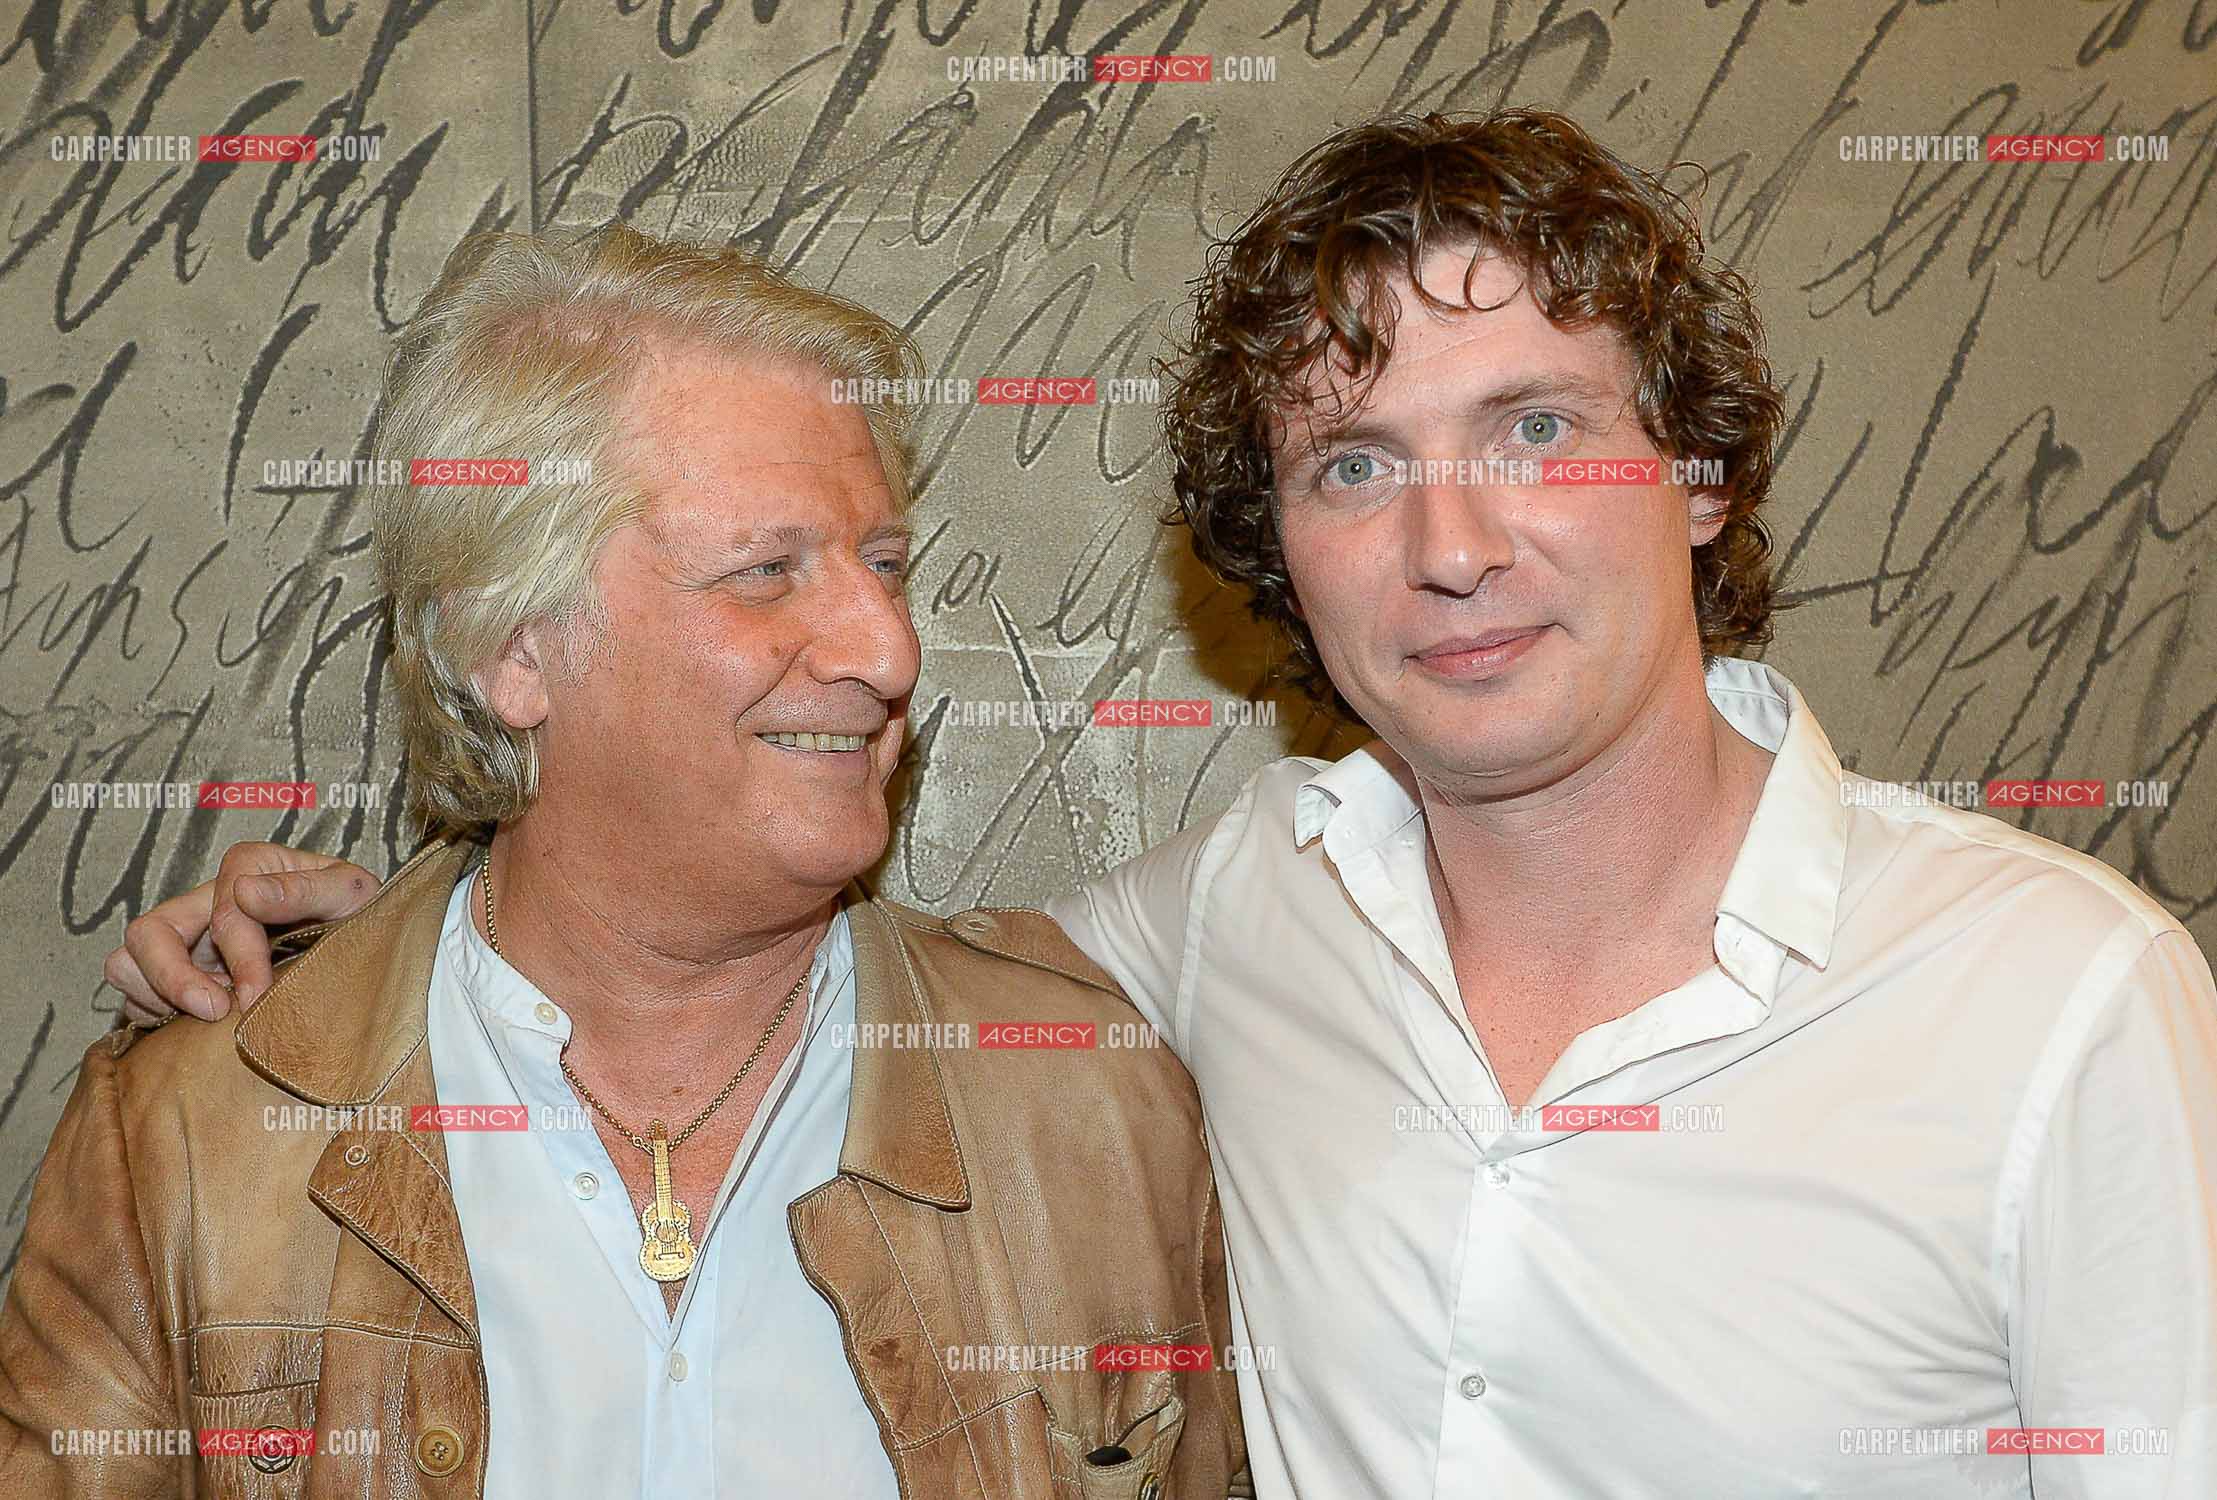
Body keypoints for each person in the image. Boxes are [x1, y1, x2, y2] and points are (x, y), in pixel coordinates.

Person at [92, 110, 2217, 1498]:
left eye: (1535, 428)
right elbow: (718, 934)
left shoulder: (2057, 1006)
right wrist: (366, 966)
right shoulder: (1225, 929)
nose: (1452, 543)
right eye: (1354, 466)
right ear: (1276, 549)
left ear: (1698, 475)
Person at [0, 222, 1243, 1499]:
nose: (888, 649)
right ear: (514, 648)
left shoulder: (1096, 1106)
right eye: (766, 571)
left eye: (884, 565)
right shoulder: (188, 1141)